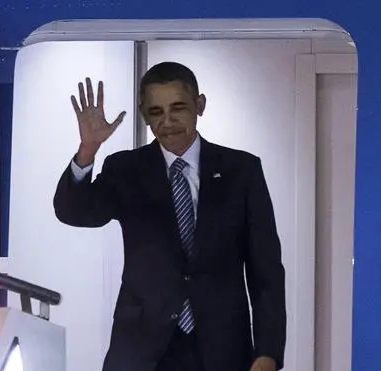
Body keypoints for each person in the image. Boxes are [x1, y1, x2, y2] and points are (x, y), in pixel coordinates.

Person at [53, 62, 286, 371]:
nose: (167, 121)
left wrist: (267, 351)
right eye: (155, 112)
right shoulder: (126, 169)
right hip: (142, 347)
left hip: (223, 346)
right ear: (143, 113)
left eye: (178, 108)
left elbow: (265, 270)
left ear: (199, 105)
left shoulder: (241, 171)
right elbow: (75, 212)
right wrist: (87, 150)